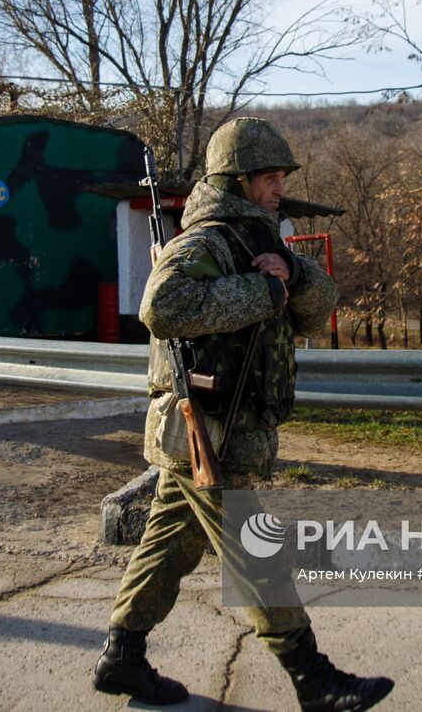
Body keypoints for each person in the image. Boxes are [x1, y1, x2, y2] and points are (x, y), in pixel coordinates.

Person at [93, 118, 393, 711]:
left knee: (169, 545)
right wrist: (262, 293)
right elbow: (162, 304)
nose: (280, 187)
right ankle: (313, 679)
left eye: (282, 176)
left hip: (222, 429)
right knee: (255, 550)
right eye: (269, 177)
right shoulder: (207, 240)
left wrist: (295, 276)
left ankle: (122, 658)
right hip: (207, 429)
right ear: (237, 180)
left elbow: (312, 313)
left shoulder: (262, 240)